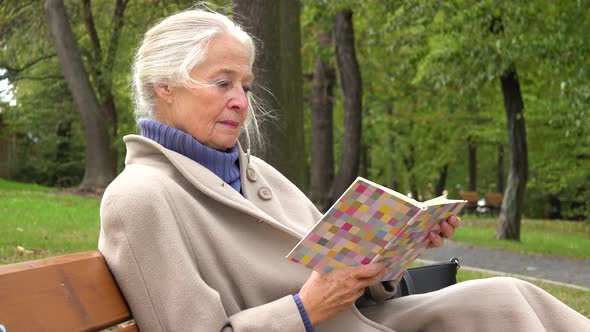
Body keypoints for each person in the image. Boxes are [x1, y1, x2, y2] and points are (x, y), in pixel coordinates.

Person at [98, 8, 589, 332]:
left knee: (507, 296)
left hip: (361, 321)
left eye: (245, 86)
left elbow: (344, 276)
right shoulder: (140, 197)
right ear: (165, 85)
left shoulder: (259, 175)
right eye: (222, 82)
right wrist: (306, 309)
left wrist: (397, 248)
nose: (239, 102)